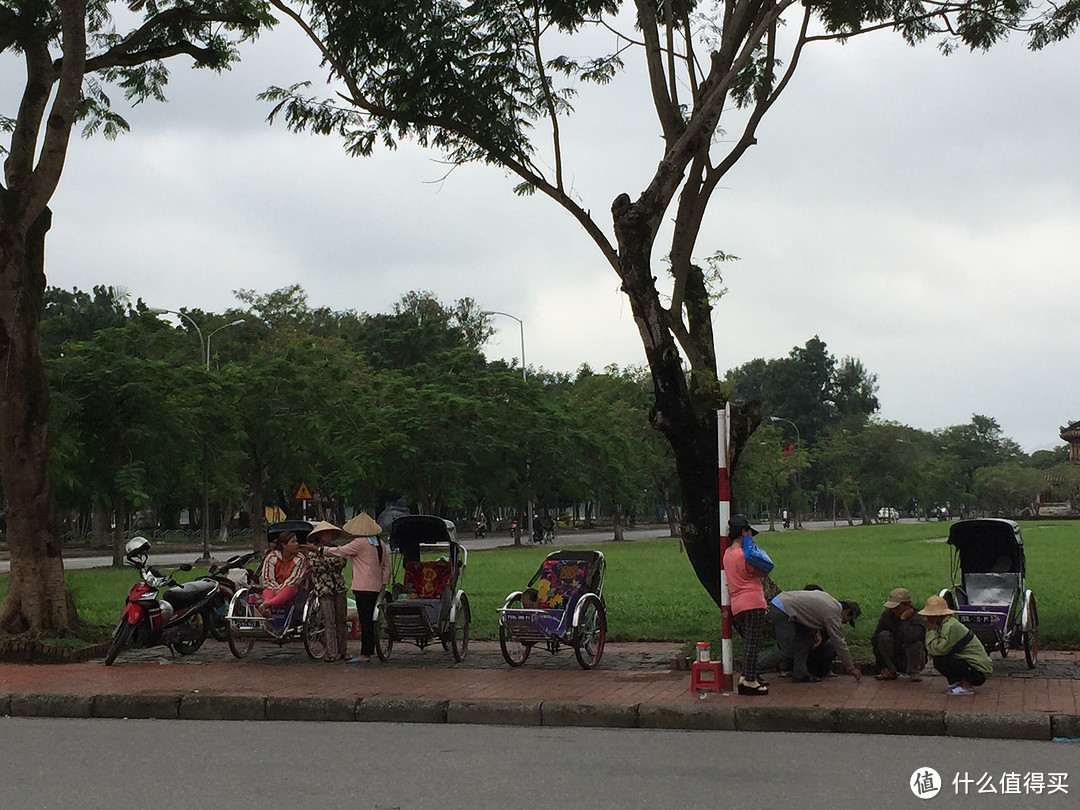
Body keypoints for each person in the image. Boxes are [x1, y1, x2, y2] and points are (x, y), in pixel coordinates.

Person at [318, 512, 391, 664]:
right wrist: (384, 581)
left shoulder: (360, 542)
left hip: (363, 586)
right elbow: (386, 565)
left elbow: (340, 552)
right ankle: (369, 649)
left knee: (365, 620)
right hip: (375, 586)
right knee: (371, 619)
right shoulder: (379, 543)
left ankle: (365, 652)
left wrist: (321, 550)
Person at [759, 588, 863, 683]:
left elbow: (810, 613)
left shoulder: (831, 602)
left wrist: (814, 632)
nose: (844, 623)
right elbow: (839, 642)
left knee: (804, 640)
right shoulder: (833, 614)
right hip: (782, 609)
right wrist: (851, 668)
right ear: (847, 611)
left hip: (786, 604)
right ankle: (751, 669)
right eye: (847, 620)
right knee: (785, 650)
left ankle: (800, 674)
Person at [723, 514, 769, 696]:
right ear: (743, 532)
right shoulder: (745, 556)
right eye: (749, 533)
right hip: (753, 601)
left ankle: (746, 676)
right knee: (754, 642)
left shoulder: (727, 554)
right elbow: (763, 570)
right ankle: (750, 679)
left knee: (749, 641)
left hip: (738, 604)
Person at [919, 595, 993, 695]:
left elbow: (937, 650)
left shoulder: (950, 626)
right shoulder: (944, 624)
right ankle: (960, 682)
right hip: (972, 666)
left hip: (979, 671)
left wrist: (931, 631)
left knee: (941, 660)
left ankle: (966, 685)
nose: (927, 618)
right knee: (940, 660)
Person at [302, 520, 350, 663]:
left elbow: (341, 563)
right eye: (325, 534)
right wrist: (323, 557)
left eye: (330, 533)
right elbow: (316, 566)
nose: (328, 536)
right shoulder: (311, 551)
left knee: (342, 620)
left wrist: (323, 558)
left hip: (339, 587)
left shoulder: (337, 548)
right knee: (328, 621)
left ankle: (344, 650)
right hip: (324, 589)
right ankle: (331, 652)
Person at [871, 587, 927, 682]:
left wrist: (903, 621)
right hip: (895, 653)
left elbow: (909, 638)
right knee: (883, 636)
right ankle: (890, 670)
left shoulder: (918, 618)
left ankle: (914, 672)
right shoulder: (887, 615)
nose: (894, 610)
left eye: (897, 607)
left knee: (915, 644)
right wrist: (882, 666)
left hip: (911, 657)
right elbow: (875, 639)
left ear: (907, 605)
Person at [258, 530, 311, 618]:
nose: (297, 544)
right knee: (268, 590)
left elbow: (295, 578)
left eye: (296, 541)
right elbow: (267, 578)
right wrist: (276, 588)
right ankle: (267, 607)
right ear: (284, 545)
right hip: (273, 587)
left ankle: (268, 605)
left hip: (291, 588)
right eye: (293, 542)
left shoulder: (300, 558)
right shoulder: (272, 557)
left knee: (289, 589)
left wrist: (281, 589)